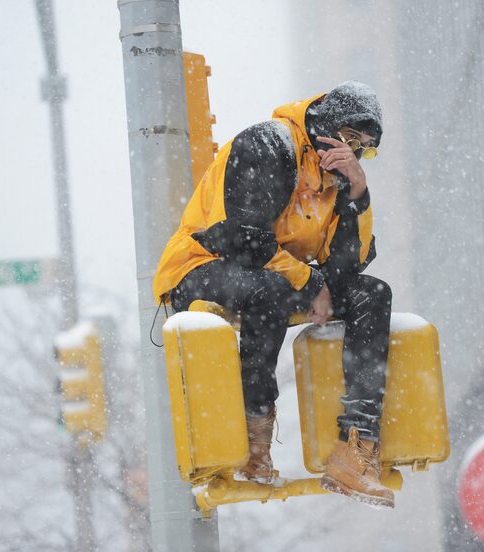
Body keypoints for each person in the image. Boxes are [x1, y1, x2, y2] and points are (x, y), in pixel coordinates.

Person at [153, 81, 394, 508]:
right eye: (351, 139)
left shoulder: (339, 180)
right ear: (325, 125)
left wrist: (358, 191)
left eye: (366, 149)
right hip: (200, 264)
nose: (354, 153)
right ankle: (253, 437)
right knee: (270, 289)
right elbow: (241, 239)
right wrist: (311, 283)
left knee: (370, 294)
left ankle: (356, 447)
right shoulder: (268, 142)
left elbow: (350, 265)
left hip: (283, 278)